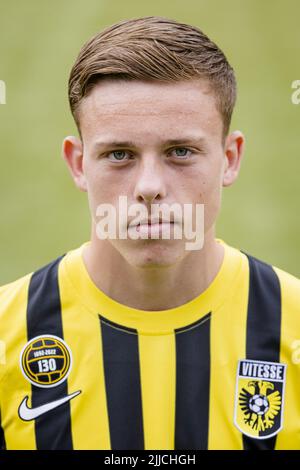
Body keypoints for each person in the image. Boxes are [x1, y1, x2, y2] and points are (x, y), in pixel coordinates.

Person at [0, 15, 299, 451]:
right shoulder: (7, 335)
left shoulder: (292, 328)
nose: (148, 187)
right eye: (119, 154)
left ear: (230, 158)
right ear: (78, 164)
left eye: (181, 151)